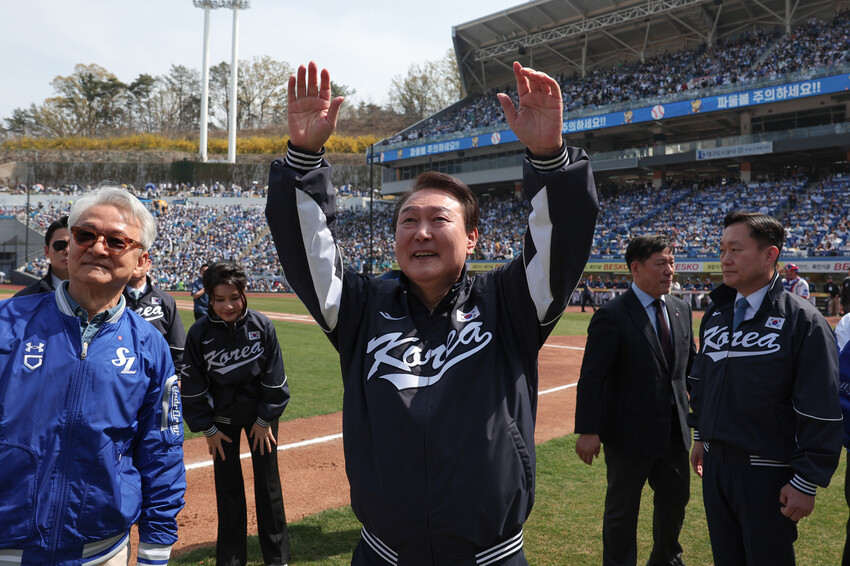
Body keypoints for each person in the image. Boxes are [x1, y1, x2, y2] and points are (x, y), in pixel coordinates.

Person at [265, 61, 597, 565]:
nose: (420, 231)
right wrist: (304, 159)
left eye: (439, 219)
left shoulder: (510, 303)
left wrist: (550, 159)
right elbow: (305, 248)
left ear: (471, 238)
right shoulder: (360, 309)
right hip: (384, 555)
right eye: (408, 220)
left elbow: (562, 241)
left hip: (492, 557)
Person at [0, 187, 185, 565]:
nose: (98, 248)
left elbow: (161, 452)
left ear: (140, 262)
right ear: (68, 247)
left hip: (100, 552)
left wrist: (154, 549)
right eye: (85, 235)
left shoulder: (150, 346)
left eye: (117, 241)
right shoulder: (7, 324)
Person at [688, 211, 842, 566]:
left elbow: (820, 406)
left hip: (767, 475)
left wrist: (806, 481)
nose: (725, 259)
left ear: (770, 255)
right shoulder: (716, 314)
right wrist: (700, 435)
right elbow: (703, 381)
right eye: (722, 249)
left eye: (736, 250)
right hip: (715, 469)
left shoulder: (803, 321)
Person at [575, 235, 696, 566]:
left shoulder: (680, 308)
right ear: (636, 268)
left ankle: (667, 560)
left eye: (671, 262)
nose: (669, 270)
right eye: (661, 263)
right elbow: (592, 379)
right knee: (622, 509)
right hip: (627, 433)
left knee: (675, 501)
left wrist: (702, 423)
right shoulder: (612, 315)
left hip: (674, 431)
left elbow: (690, 369)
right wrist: (588, 430)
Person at [182, 261, 291, 566]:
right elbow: (192, 385)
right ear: (210, 299)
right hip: (223, 424)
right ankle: (231, 559)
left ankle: (277, 558)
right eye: (219, 299)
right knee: (228, 489)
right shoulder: (200, 334)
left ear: (244, 294)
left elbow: (274, 376)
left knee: (268, 486)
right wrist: (207, 428)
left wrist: (265, 417)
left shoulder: (262, 326)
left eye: (234, 297)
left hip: (262, 421)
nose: (227, 305)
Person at [124, 253, 188, 381]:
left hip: (158, 377)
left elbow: (177, 343)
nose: (136, 265)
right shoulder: (111, 300)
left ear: (148, 264)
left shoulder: (166, 300)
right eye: (131, 260)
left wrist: (179, 376)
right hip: (122, 377)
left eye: (140, 260)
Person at [14, 215, 70, 297]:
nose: (67, 250)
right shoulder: (21, 301)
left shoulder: (95, 294)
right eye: (60, 245)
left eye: (74, 245)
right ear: (47, 251)